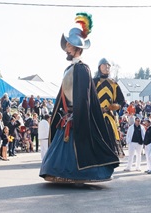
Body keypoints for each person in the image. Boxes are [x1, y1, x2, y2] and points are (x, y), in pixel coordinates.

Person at [40, 12, 119, 183]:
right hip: (67, 116)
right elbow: (63, 94)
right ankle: (58, 173)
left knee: (78, 149)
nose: (66, 48)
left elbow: (83, 99)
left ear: (76, 48)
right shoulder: (68, 69)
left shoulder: (83, 69)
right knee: (60, 149)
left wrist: (77, 115)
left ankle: (75, 175)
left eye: (68, 45)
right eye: (66, 45)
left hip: (78, 118)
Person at [93, 58, 125, 157]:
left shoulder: (113, 83)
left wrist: (116, 106)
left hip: (109, 114)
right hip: (96, 114)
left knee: (112, 134)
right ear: (99, 67)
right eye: (104, 65)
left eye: (108, 66)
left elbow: (121, 101)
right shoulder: (93, 82)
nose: (106, 67)